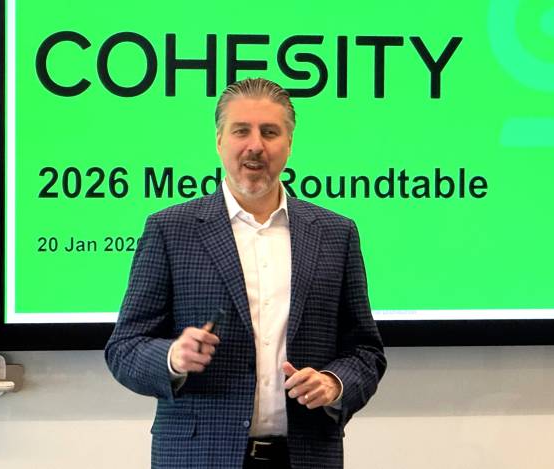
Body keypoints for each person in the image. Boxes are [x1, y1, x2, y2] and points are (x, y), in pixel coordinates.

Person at [105, 77, 386, 469]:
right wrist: (171, 357)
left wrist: (333, 383)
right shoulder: (170, 230)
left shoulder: (335, 234)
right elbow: (124, 348)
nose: (255, 145)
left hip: (306, 456)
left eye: (270, 132)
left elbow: (365, 352)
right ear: (220, 141)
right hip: (199, 458)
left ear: (289, 143)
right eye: (241, 131)